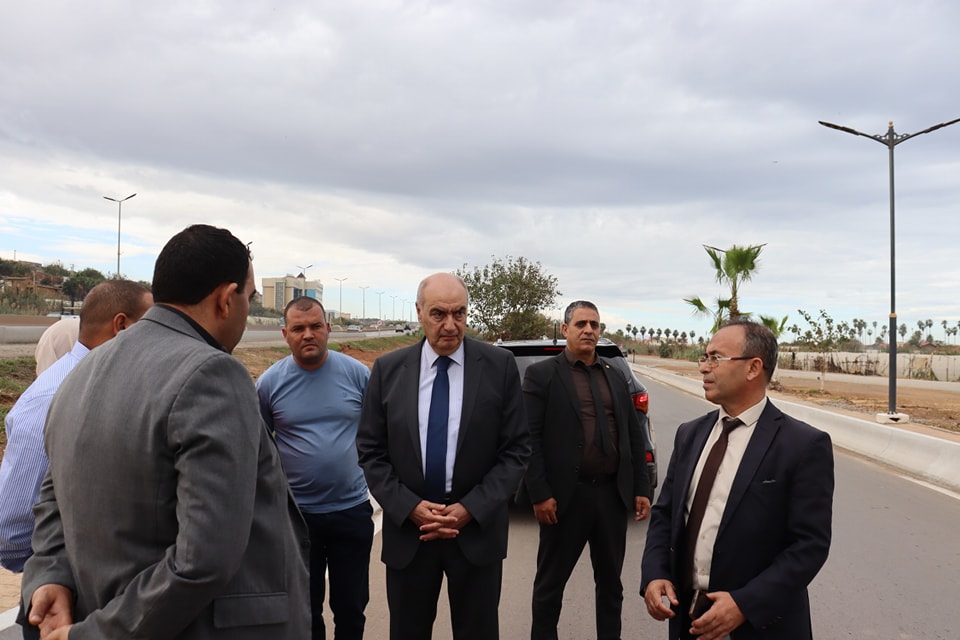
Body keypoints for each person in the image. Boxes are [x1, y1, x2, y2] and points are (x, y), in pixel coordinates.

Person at [21, 224, 310, 640]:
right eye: (248, 297)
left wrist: (49, 576)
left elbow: (53, 498)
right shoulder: (212, 373)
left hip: (97, 611)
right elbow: (203, 559)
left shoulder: (80, 372)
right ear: (226, 299)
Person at [356, 272, 530, 640]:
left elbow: (516, 451)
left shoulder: (499, 366)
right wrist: (410, 507)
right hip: (411, 535)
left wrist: (470, 509)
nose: (450, 325)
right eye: (438, 314)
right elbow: (371, 451)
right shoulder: (388, 370)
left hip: (476, 534)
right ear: (419, 312)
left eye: (459, 313)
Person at [641, 318, 834, 640]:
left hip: (761, 627)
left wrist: (745, 604)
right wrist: (655, 572)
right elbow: (666, 513)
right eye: (705, 357)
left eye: (716, 358)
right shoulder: (690, 434)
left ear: (753, 368)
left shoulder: (802, 445)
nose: (704, 367)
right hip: (689, 619)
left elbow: (809, 546)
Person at [1, 280, 152, 574]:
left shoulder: (103, 385)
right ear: (121, 326)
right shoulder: (50, 399)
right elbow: (12, 533)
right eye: (150, 326)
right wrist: (57, 574)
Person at [522, 300, 652, 640]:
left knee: (611, 585)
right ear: (566, 329)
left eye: (595, 324)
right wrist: (540, 493)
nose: (589, 330)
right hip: (565, 498)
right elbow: (529, 438)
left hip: (611, 496)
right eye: (581, 324)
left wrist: (641, 488)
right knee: (550, 587)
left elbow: (633, 435)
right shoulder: (543, 375)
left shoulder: (615, 375)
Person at [257, 296, 373, 640]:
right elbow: (258, 448)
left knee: (351, 607)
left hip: (351, 512)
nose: (308, 334)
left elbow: (378, 437)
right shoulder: (269, 384)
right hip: (297, 518)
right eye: (298, 328)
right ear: (285, 334)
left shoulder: (358, 375)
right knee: (305, 610)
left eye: (315, 326)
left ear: (328, 329)